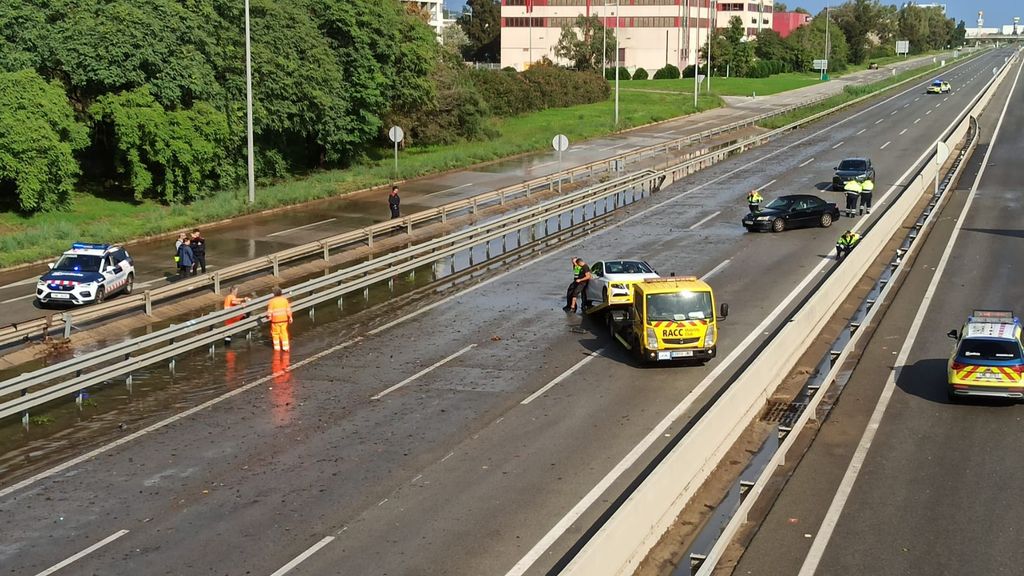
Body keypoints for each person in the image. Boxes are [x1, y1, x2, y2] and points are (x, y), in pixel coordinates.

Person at [266, 286, 293, 352]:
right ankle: (286, 347)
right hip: (284, 319)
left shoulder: (272, 301)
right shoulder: (285, 300)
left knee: (275, 334)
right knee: (284, 333)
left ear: (274, 293)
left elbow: (270, 312)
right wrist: (290, 317)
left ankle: (277, 348)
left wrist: (268, 316)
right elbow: (288, 310)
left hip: (275, 320)